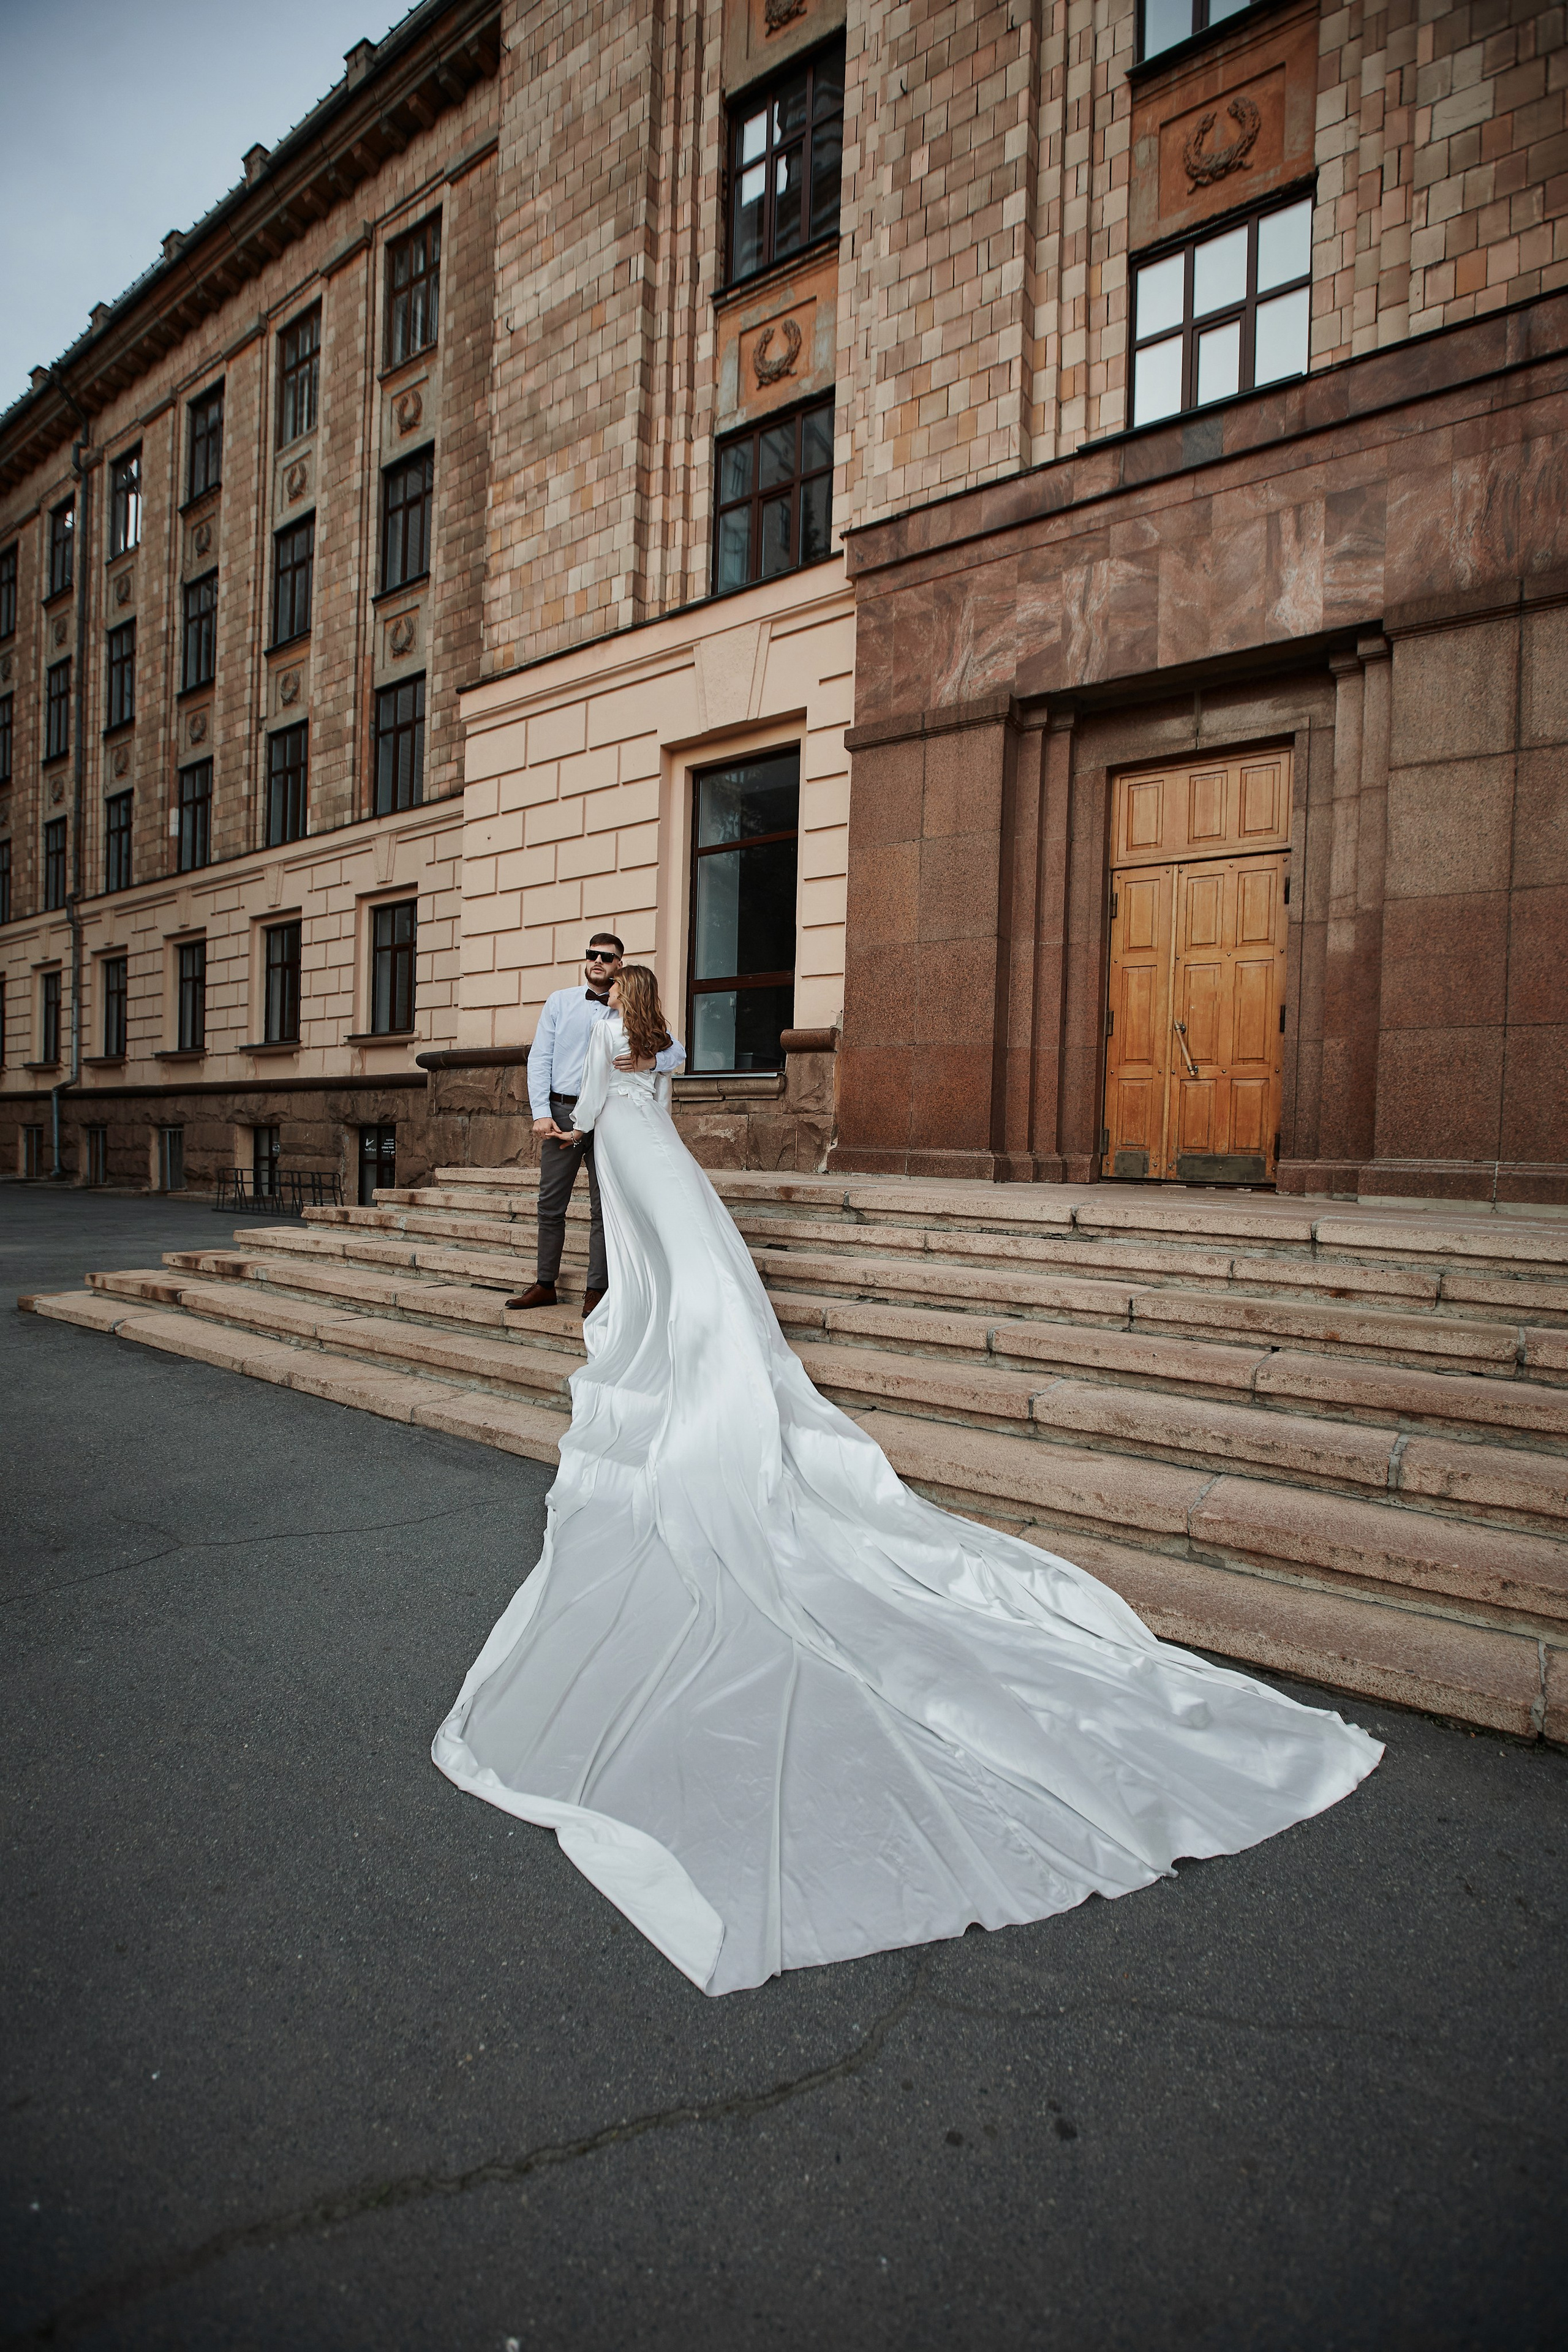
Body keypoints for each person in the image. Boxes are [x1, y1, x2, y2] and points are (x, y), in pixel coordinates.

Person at [437, 966, 1381, 1997]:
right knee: (694, 1263)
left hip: (629, 1154)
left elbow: (594, 1111)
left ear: (619, 997)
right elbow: (650, 1099)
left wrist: (569, 1127)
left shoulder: (609, 1041)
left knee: (671, 1278)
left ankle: (678, 1360)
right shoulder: (663, 1045)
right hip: (662, 1155)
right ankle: (690, 1348)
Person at [505, 934, 685, 1317]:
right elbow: (540, 1058)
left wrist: (650, 1063)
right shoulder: (560, 1002)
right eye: (592, 955)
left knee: (604, 1206)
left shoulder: (630, 1012)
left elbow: (676, 1051)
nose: (598, 961)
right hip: (562, 1111)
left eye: (607, 956)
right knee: (550, 1202)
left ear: (620, 964)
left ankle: (597, 1289)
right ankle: (544, 1283)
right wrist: (541, 1112)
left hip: (610, 1117)